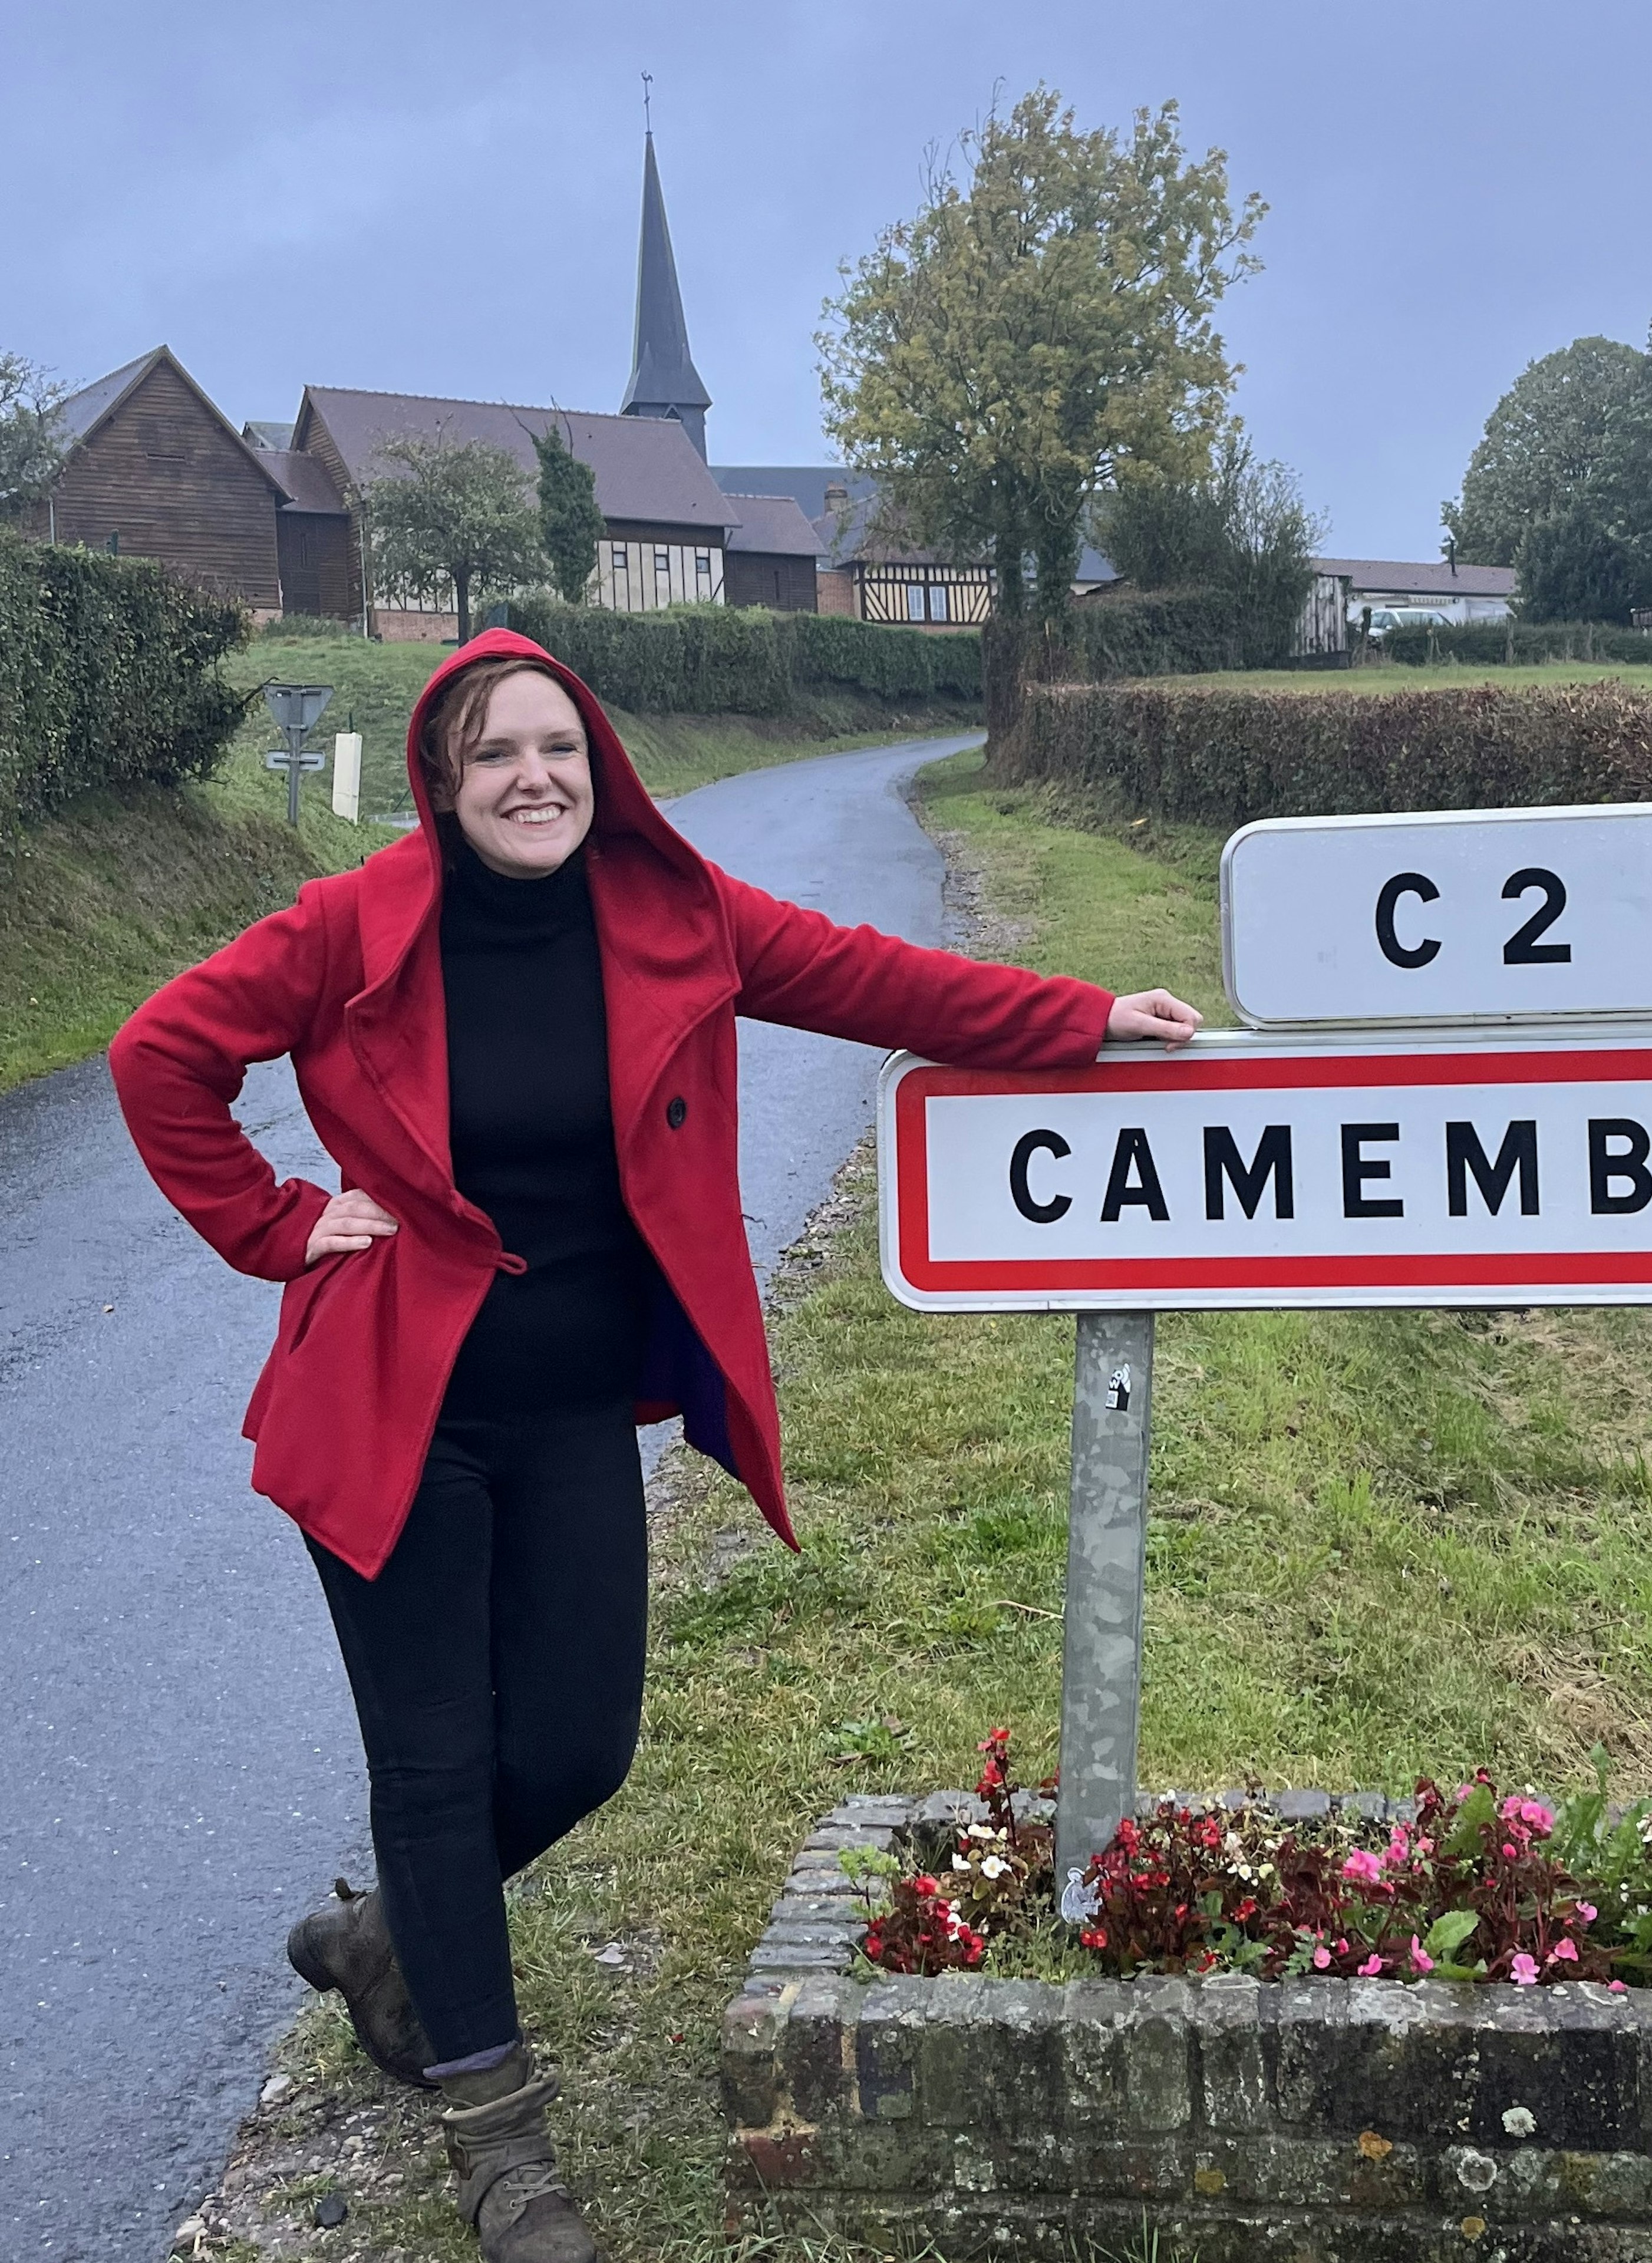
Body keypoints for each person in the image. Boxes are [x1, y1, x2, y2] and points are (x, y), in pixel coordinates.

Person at [109, 629, 1200, 2263]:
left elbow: (869, 977)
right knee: (432, 1758)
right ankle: (503, 2154)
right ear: (443, 783)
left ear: (599, 763)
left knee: (576, 1749)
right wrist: (273, 1223)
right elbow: (159, 1055)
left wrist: (1082, 1014)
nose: (532, 776)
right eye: (494, 754)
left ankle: (391, 1936)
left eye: (556, 746)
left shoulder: (672, 915)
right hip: (393, 1406)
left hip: (566, 1410)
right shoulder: (352, 926)